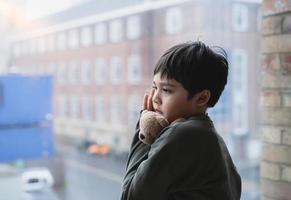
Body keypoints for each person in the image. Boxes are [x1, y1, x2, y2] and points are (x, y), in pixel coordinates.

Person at [120, 41, 241, 200]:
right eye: (154, 87)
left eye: (166, 90)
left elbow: (130, 196)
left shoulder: (183, 134)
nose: (155, 98)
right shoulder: (212, 138)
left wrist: (145, 128)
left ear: (202, 98)